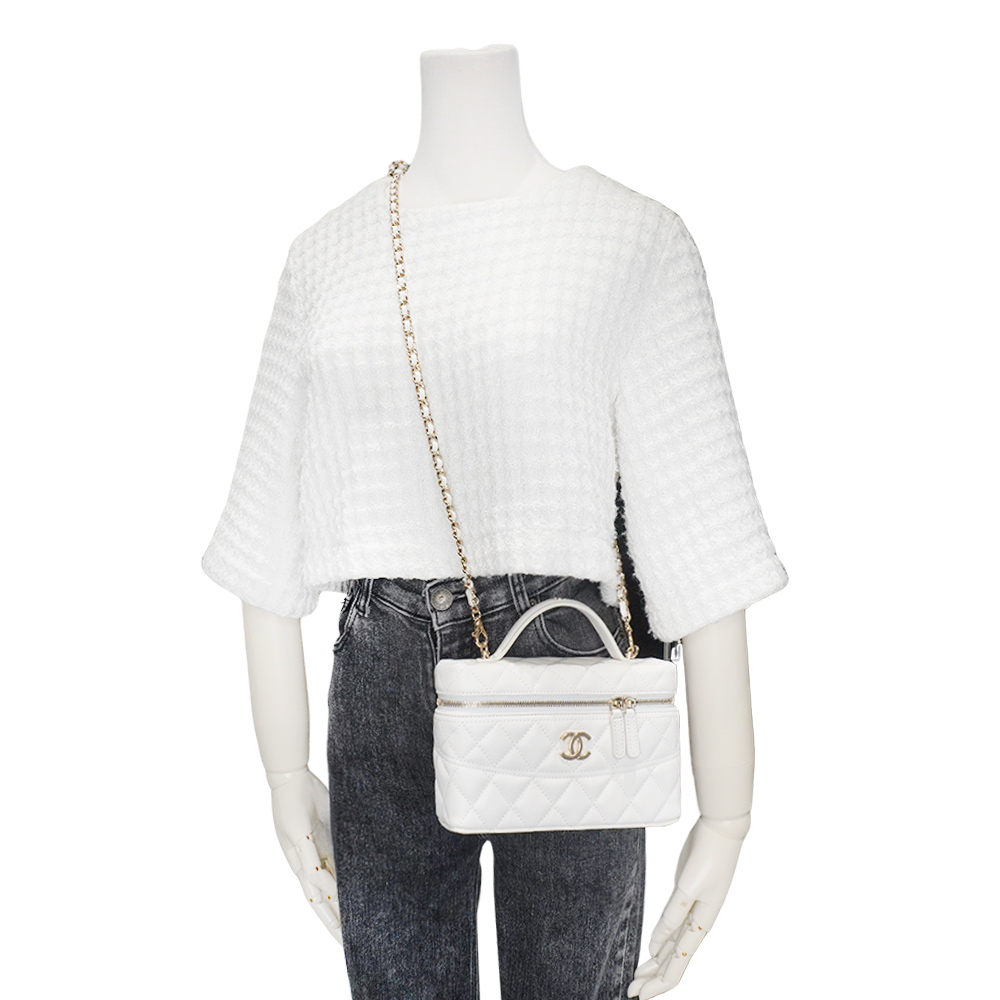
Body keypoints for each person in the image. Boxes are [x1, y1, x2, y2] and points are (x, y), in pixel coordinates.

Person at [201, 43, 788, 1000]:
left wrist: (728, 813)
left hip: (572, 667)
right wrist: (282, 766)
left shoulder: (631, 239)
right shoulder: (326, 254)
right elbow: (265, 525)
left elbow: (700, 526)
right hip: (383, 670)